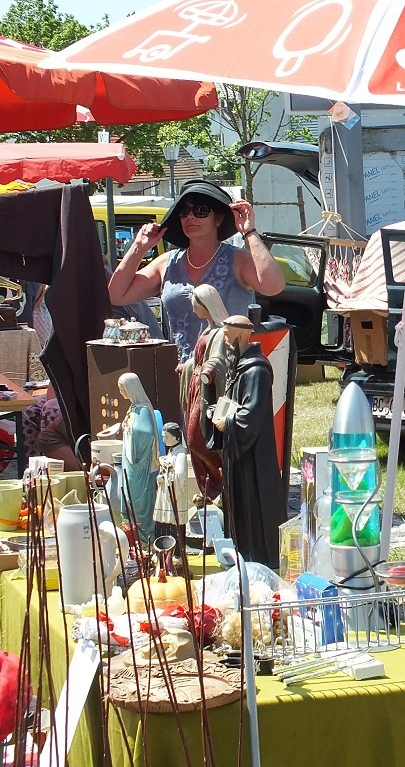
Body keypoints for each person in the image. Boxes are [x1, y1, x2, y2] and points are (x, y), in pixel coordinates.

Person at [107, 179, 285, 363]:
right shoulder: (167, 263)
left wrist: (249, 232)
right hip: (182, 374)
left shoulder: (238, 259)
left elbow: (273, 286)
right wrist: (138, 247)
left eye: (200, 210)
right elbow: (116, 296)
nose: (190, 217)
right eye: (184, 211)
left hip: (231, 372)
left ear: (219, 218)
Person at [210, 315, 286, 568]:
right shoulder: (239, 367)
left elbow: (250, 413)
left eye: (227, 334)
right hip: (238, 454)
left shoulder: (257, 371)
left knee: (254, 506)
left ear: (240, 337)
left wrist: (228, 423)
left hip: (253, 454)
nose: (223, 339)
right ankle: (241, 554)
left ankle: (258, 559)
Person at [180, 284, 228, 500]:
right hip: (196, 386)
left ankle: (219, 484)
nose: (193, 310)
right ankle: (209, 489)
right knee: (193, 439)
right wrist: (189, 365)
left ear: (206, 305)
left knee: (197, 439)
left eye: (195, 306)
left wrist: (208, 369)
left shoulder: (219, 332)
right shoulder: (208, 330)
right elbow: (200, 357)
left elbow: (219, 359)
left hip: (206, 390)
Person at [118, 372, 161, 543]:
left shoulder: (142, 410)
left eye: (122, 389)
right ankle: (132, 535)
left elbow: (146, 433)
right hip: (130, 462)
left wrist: (131, 433)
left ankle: (144, 537)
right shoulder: (134, 407)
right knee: (128, 496)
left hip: (138, 463)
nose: (121, 392)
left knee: (138, 499)